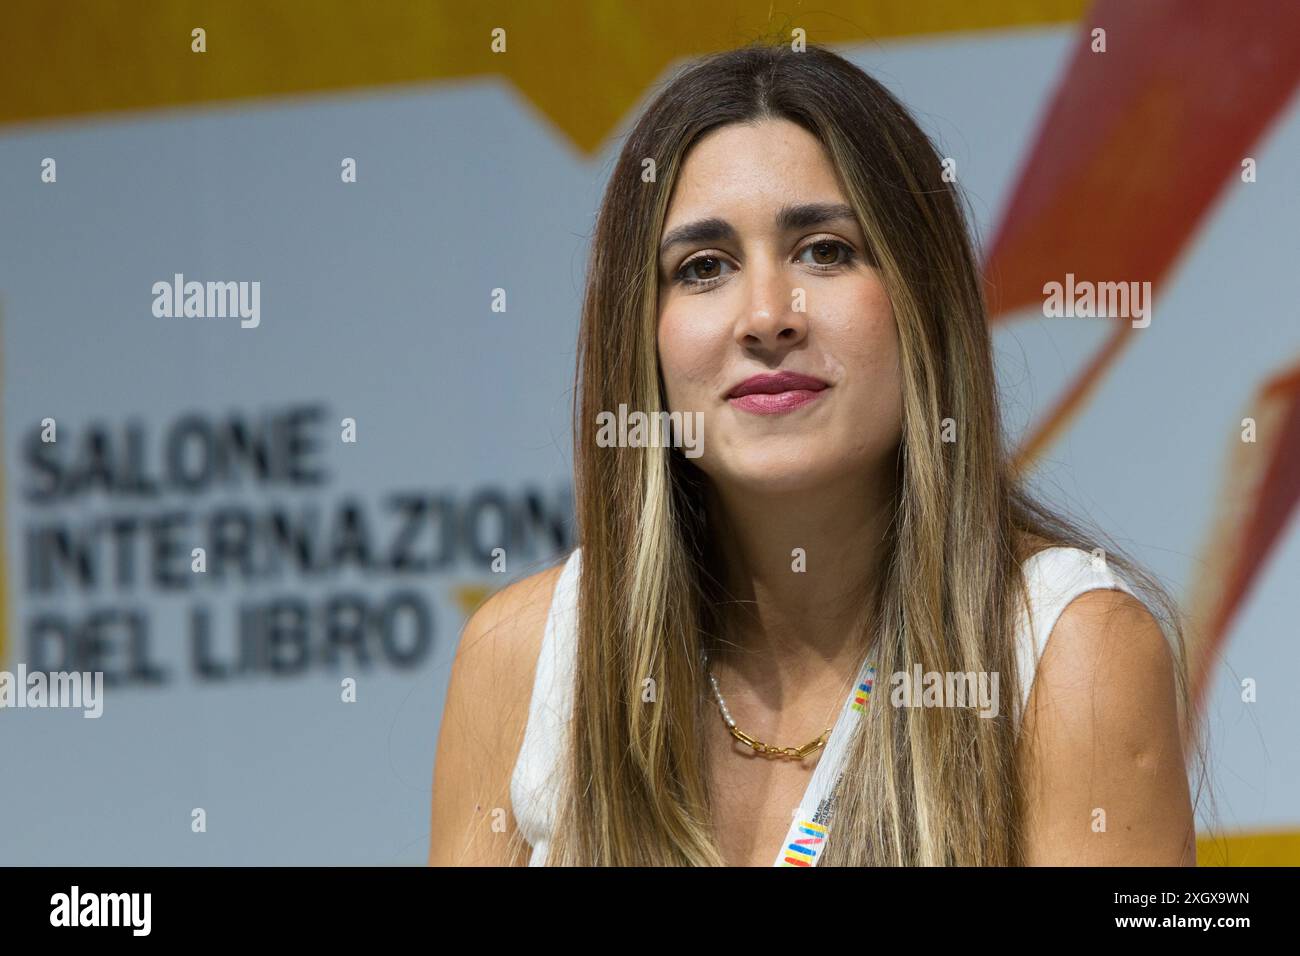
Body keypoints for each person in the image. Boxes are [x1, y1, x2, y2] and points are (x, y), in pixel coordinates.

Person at [428, 41, 1201, 866]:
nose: (767, 314)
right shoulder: (527, 654)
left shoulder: (1070, 653)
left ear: (922, 301)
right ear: (639, 338)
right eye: (703, 267)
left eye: (825, 251)